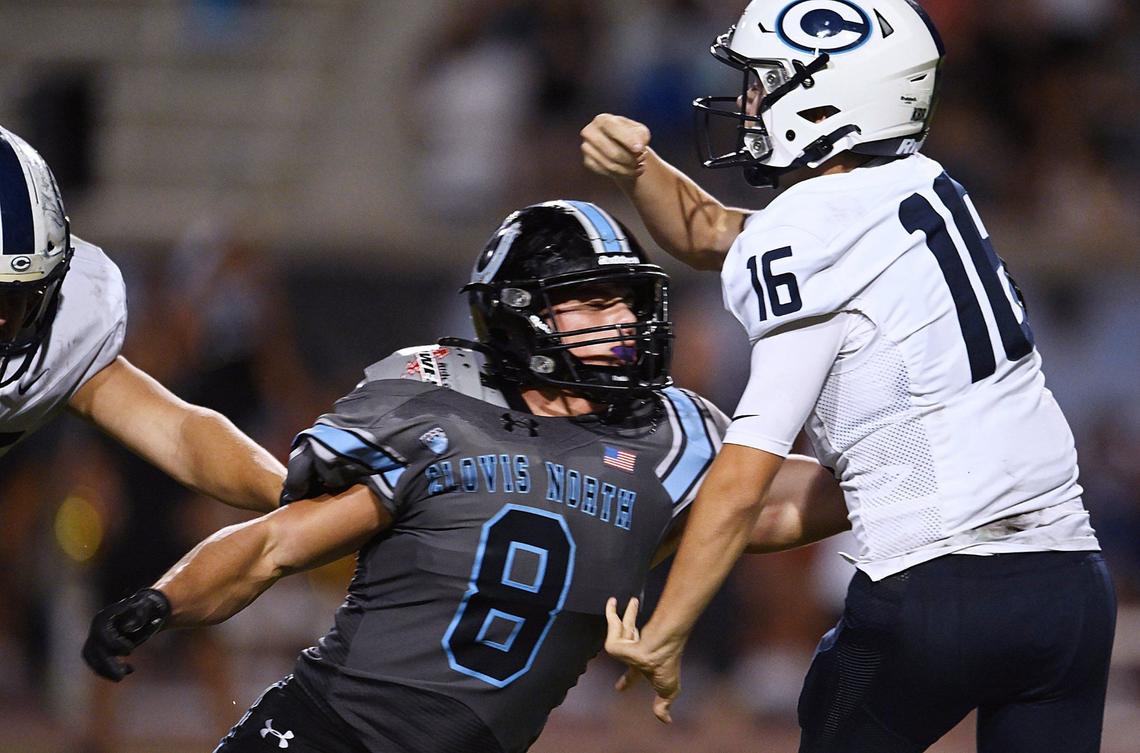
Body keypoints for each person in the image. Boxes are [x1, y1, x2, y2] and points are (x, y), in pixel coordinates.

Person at [80, 200, 846, 753]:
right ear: (520, 313)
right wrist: (162, 598)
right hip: (327, 729)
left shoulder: (670, 436)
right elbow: (276, 543)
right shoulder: (440, 413)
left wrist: (925, 462)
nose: (622, 320)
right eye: (591, 301)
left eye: (626, 299)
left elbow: (782, 504)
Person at [581, 2, 1116, 752]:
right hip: (1069, 587)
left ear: (825, 97)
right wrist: (640, 168)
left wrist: (666, 628)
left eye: (763, 82)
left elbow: (749, 461)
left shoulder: (810, 231)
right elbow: (712, 235)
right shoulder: (922, 182)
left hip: (935, 588)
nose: (746, 102)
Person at [0, 125, 283, 513]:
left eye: (15, 299)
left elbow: (180, 435)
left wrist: (295, 494)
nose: (3, 321)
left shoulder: (63, 323)